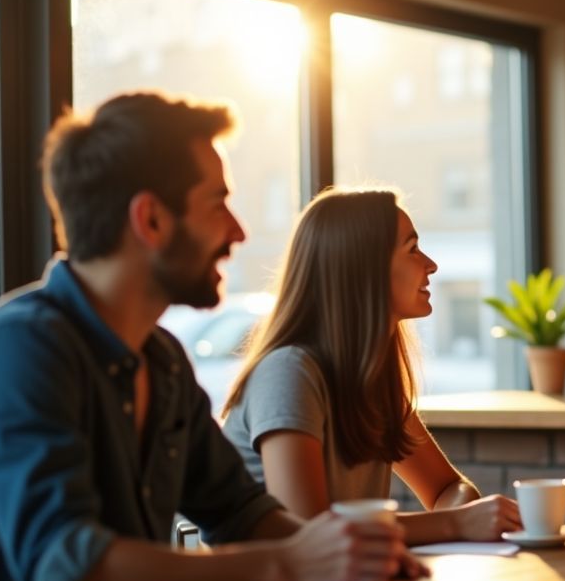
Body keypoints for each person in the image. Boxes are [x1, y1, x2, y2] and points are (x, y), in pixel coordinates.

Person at [0, 91, 423, 581]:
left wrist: (351, 556)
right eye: (218, 204)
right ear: (151, 219)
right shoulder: (21, 352)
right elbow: (70, 569)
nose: (238, 231)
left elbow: (240, 511)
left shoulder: (160, 360)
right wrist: (296, 561)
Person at [220, 187, 521, 542]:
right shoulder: (288, 372)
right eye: (412, 249)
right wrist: (455, 524)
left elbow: (447, 488)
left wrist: (458, 516)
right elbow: (311, 531)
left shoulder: (372, 381)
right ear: (364, 270)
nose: (431, 265)